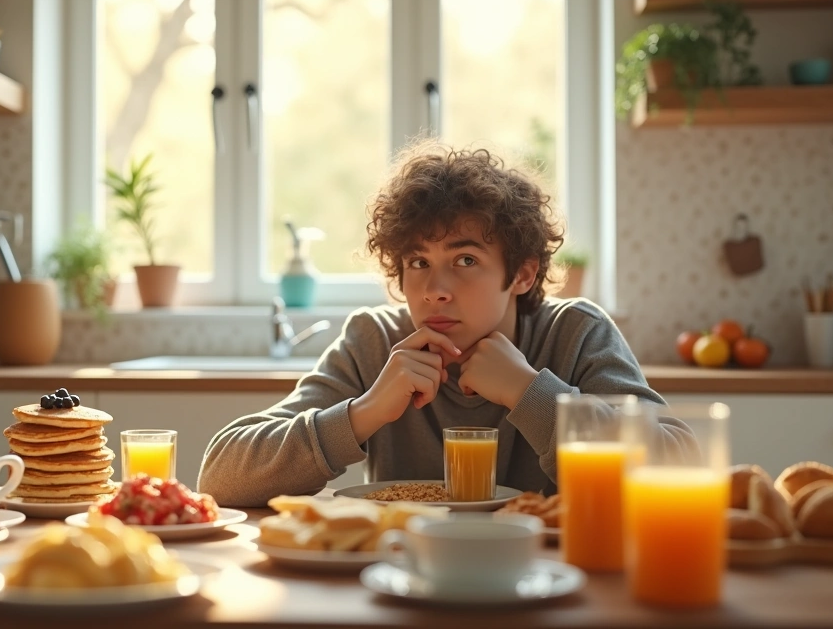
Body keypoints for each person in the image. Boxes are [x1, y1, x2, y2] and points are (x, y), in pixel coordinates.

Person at [196, 141, 695, 507]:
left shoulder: (575, 333)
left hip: (542, 579)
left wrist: (530, 393)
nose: (435, 288)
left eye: (465, 261)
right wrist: (364, 412)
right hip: (401, 581)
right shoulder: (375, 341)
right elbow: (220, 476)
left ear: (521, 273)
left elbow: (681, 465)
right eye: (417, 262)